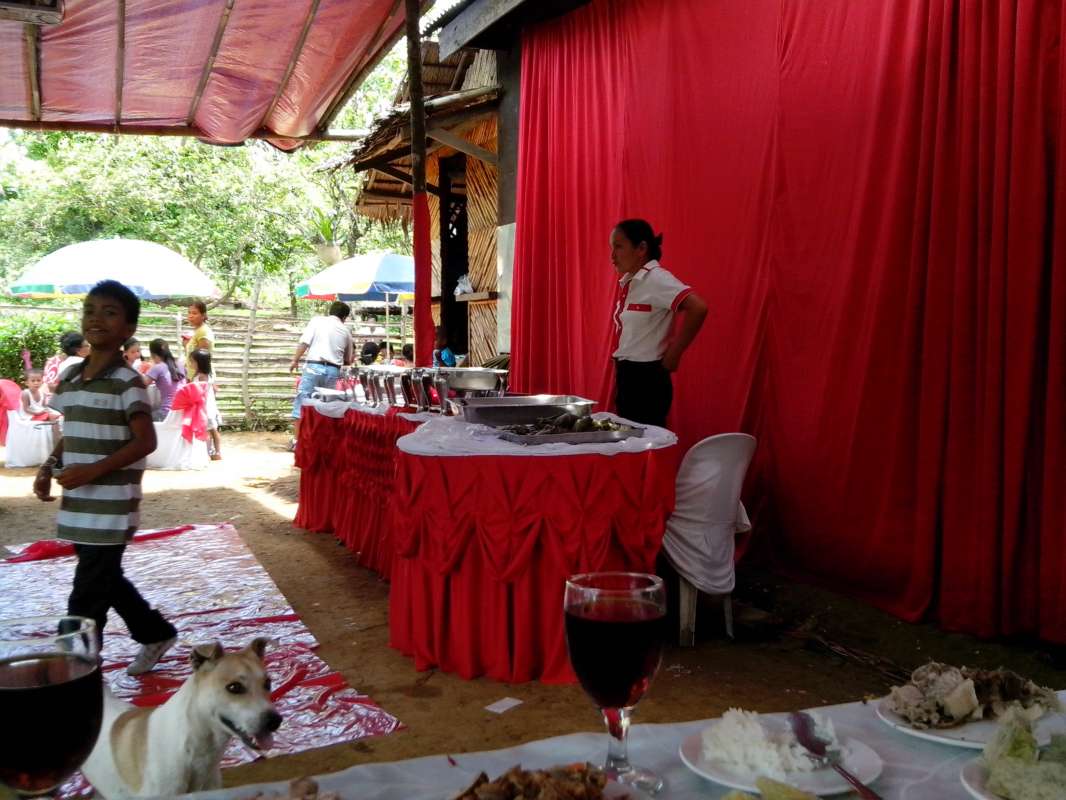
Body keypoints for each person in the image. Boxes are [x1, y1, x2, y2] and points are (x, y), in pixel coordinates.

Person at [32, 279, 177, 675]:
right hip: (79, 502)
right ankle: (154, 633)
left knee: (86, 596)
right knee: (104, 578)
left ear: (128, 328)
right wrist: (48, 466)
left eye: (109, 313)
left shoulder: (128, 382)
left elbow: (145, 441)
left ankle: (72, 671)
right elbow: (74, 430)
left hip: (111, 505)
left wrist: (93, 471)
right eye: (90, 311)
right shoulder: (72, 377)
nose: (96, 319)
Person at [610, 218, 708, 428]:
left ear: (641, 248)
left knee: (645, 440)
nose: (613, 256)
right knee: (629, 438)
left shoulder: (656, 279)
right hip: (628, 375)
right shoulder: (633, 281)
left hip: (647, 378)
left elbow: (698, 308)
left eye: (618, 247)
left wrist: (674, 353)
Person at [289, 301, 354, 448]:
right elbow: (347, 360)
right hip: (333, 370)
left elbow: (304, 343)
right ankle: (320, 442)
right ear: (344, 317)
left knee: (303, 401)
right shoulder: (346, 332)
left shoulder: (317, 321)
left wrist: (295, 360)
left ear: (330, 311)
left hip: (314, 367)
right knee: (326, 406)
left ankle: (297, 442)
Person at [191, 349, 223, 460]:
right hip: (211, 407)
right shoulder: (209, 375)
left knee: (207, 432)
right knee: (214, 431)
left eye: (193, 361)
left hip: (204, 408)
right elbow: (214, 390)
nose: (191, 363)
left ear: (199, 363)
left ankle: (208, 453)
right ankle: (217, 452)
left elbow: (198, 392)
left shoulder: (200, 377)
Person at [144, 338, 186, 421]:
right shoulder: (180, 365)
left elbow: (141, 385)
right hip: (182, 413)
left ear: (152, 355)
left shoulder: (157, 368)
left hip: (166, 414)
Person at [184, 301, 214, 379]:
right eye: (189, 313)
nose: (190, 316)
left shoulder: (203, 332)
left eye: (194, 313)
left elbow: (202, 360)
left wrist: (195, 379)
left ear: (203, 315)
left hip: (199, 378)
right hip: (192, 375)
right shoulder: (197, 331)